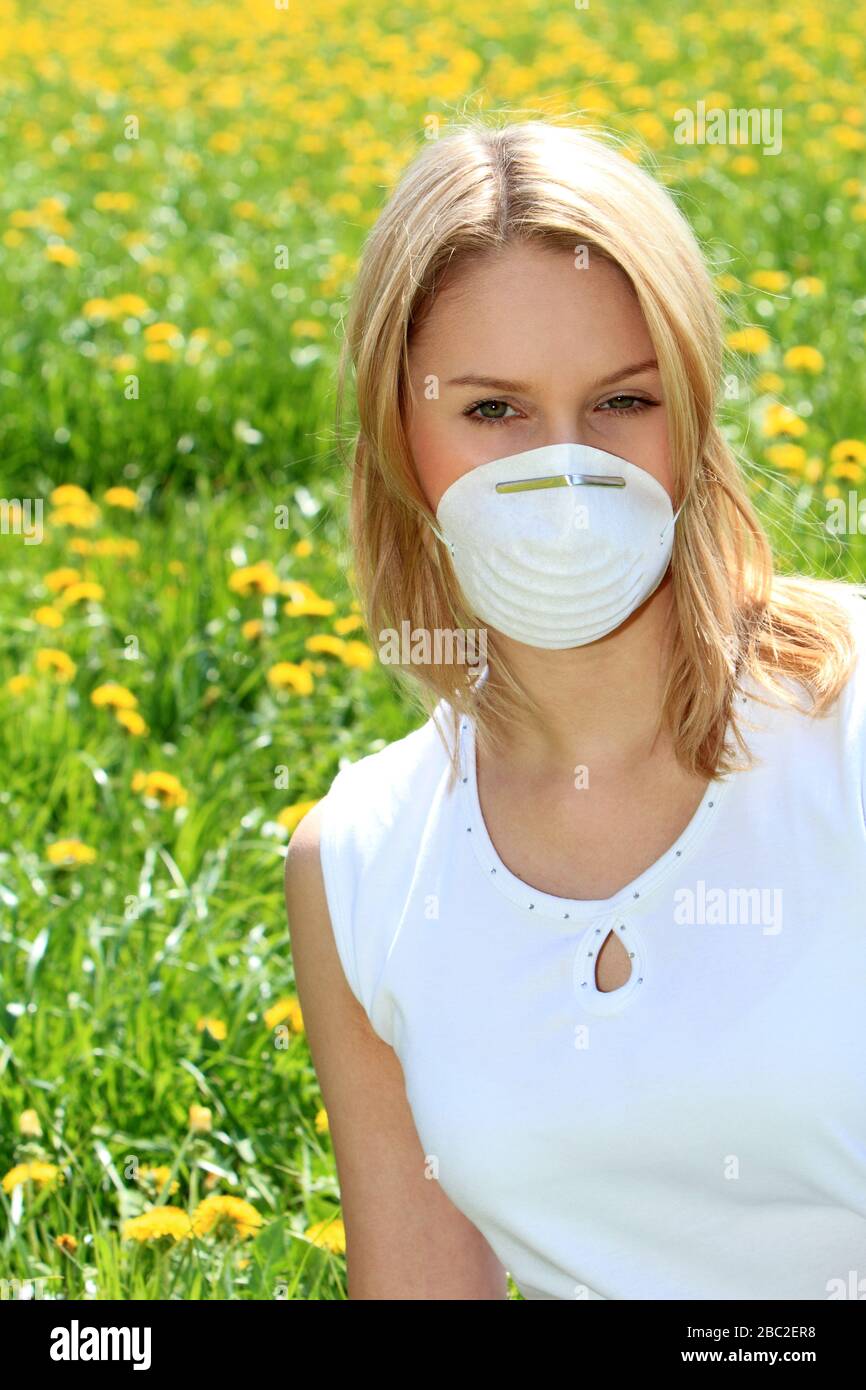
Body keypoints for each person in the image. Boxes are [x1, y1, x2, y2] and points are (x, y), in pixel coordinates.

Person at [284, 118, 866, 1300]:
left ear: (693, 411)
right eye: (492, 412)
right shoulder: (361, 862)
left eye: (619, 402)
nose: (561, 477)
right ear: (400, 433)